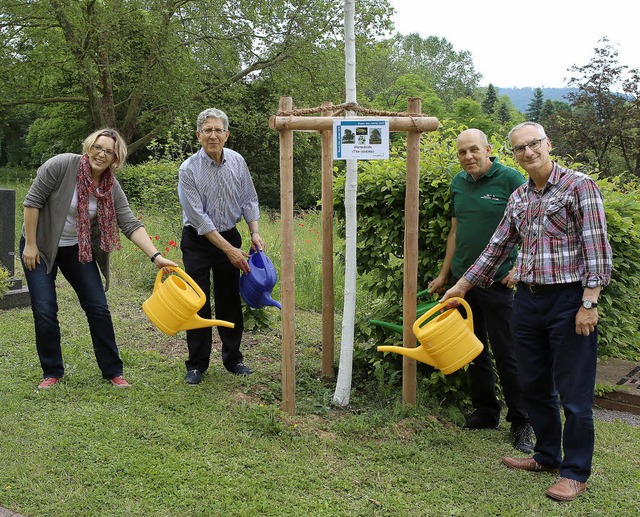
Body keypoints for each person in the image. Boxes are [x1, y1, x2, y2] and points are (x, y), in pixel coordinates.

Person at [441, 122, 612, 502]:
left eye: (533, 144)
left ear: (548, 144)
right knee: (534, 385)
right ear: (513, 154)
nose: (527, 152)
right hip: (528, 301)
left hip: (569, 300)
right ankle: (547, 456)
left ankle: (575, 471)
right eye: (519, 148)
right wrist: (461, 285)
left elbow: (597, 249)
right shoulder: (519, 196)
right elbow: (496, 249)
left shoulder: (579, 186)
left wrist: (589, 302)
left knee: (574, 393)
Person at [21, 128, 177, 389]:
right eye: (98, 147)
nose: (102, 154)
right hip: (41, 245)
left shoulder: (110, 187)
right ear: (89, 147)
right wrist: (32, 245)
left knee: (98, 307)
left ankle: (113, 371)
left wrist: (156, 256)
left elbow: (129, 223)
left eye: (109, 152)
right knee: (45, 310)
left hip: (76, 248)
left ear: (116, 159)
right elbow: (32, 202)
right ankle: (52, 371)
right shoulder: (60, 166)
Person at [428, 129, 533, 453]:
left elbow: (534, 227)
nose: (468, 157)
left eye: (473, 150)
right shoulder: (459, 183)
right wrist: (445, 275)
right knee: (473, 350)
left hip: (498, 282)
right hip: (463, 282)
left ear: (488, 150)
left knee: (508, 354)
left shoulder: (511, 179)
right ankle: (486, 411)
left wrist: (519, 269)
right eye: (461, 152)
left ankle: (521, 421)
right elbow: (455, 231)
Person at [177, 108, 263, 384]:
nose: (212, 135)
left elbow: (249, 199)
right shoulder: (188, 169)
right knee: (198, 302)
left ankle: (233, 359)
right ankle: (197, 365)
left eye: (217, 130)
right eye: (207, 130)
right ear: (198, 135)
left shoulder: (237, 161)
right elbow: (199, 219)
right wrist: (229, 250)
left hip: (231, 235)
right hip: (198, 241)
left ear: (226, 135)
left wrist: (255, 233)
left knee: (229, 300)